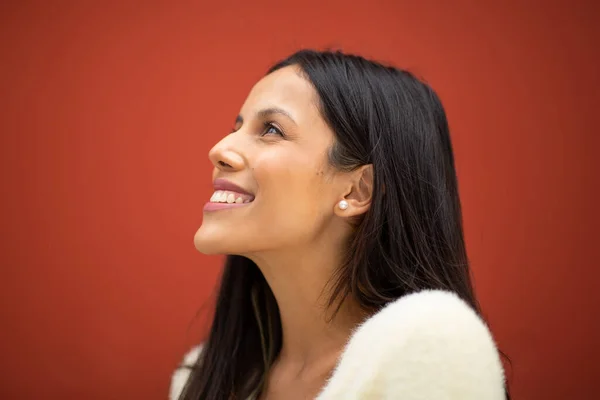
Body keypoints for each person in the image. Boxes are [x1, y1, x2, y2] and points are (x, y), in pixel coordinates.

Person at [170, 49, 507, 400]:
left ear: (357, 190)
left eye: (271, 129)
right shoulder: (202, 378)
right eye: (236, 127)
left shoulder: (432, 350)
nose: (220, 149)